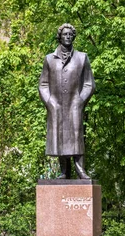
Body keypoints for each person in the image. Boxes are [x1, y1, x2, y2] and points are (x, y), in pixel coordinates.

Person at [39, 23, 95, 179]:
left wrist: (80, 100)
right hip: (56, 104)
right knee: (59, 136)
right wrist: (49, 102)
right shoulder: (49, 59)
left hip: (74, 103)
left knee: (76, 135)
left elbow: (89, 84)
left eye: (70, 34)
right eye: (65, 34)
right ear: (60, 37)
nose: (68, 37)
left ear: (74, 37)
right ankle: (64, 171)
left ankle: (80, 169)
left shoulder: (82, 58)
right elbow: (43, 84)